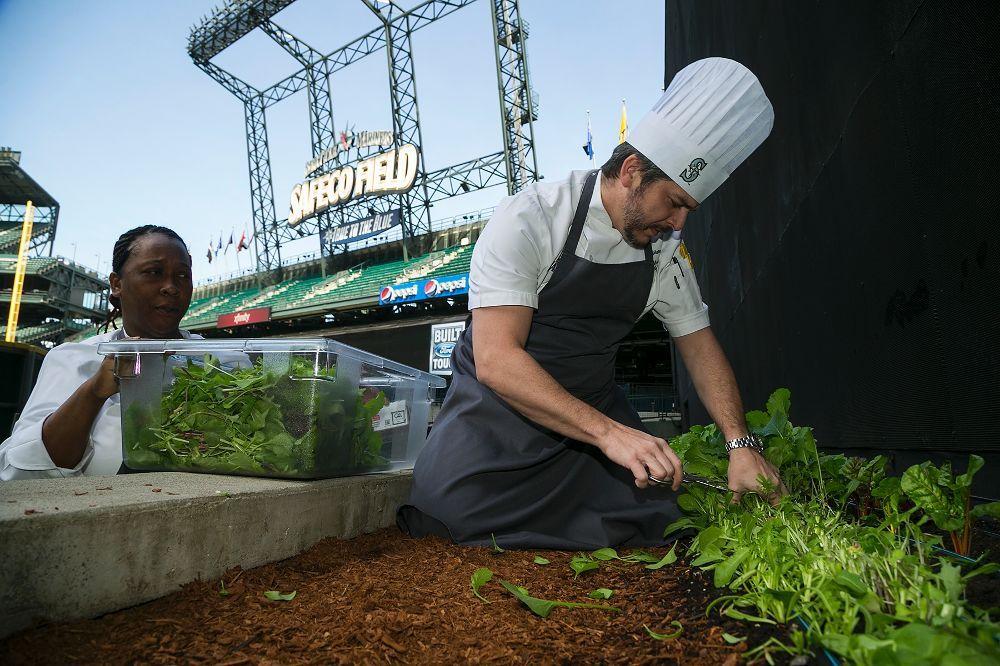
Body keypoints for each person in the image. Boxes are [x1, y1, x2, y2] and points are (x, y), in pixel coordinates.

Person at [398, 58, 787, 549]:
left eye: (688, 208)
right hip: (497, 416)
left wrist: (740, 445)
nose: (678, 223)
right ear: (631, 172)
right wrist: (610, 436)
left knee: (668, 516)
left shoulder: (666, 254)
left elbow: (700, 346)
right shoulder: (532, 218)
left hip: (594, 417)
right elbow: (497, 361)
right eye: (674, 202)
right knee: (445, 512)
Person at [0, 225, 196, 479]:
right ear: (117, 284)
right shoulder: (73, 359)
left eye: (182, 275)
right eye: (154, 272)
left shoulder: (221, 361)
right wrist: (93, 393)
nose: (171, 287)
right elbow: (18, 471)